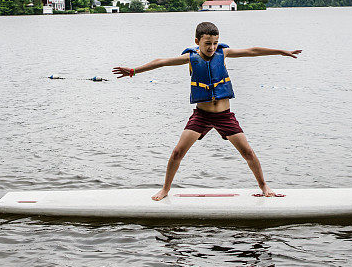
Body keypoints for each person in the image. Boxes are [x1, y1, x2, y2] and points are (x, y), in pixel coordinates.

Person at [112, 21, 302, 200]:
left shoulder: (223, 53)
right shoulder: (190, 58)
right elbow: (161, 62)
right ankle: (165, 189)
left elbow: (252, 50)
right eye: (207, 43)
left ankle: (264, 187)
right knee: (178, 152)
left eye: (215, 43)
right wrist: (134, 71)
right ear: (197, 41)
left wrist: (280, 52)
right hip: (201, 116)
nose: (212, 47)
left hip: (224, 116)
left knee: (248, 152)